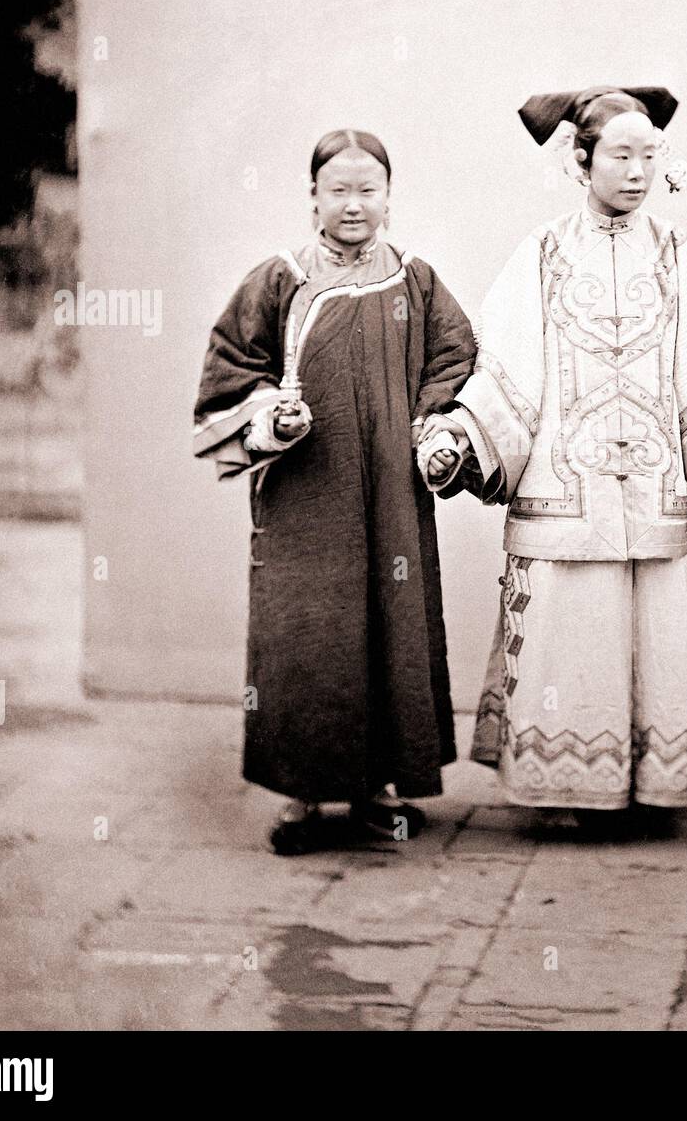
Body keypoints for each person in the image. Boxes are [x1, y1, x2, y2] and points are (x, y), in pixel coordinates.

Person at [421, 87, 687, 831]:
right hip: (562, 482)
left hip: (649, 484)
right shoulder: (542, 255)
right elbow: (507, 373)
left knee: (646, 626)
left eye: (651, 156)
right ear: (579, 161)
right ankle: (562, 793)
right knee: (568, 628)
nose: (638, 171)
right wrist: (466, 437)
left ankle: (646, 787)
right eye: (621, 155)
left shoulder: (676, 254)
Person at [193, 129, 476, 853]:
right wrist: (271, 416)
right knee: (308, 635)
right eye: (338, 190)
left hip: (390, 492)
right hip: (304, 495)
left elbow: (457, 354)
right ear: (313, 197)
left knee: (389, 624)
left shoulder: (415, 279)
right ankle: (300, 796)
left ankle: (376, 790)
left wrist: (429, 425)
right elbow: (232, 368)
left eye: (368, 189)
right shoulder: (280, 278)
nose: (354, 204)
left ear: (388, 196)